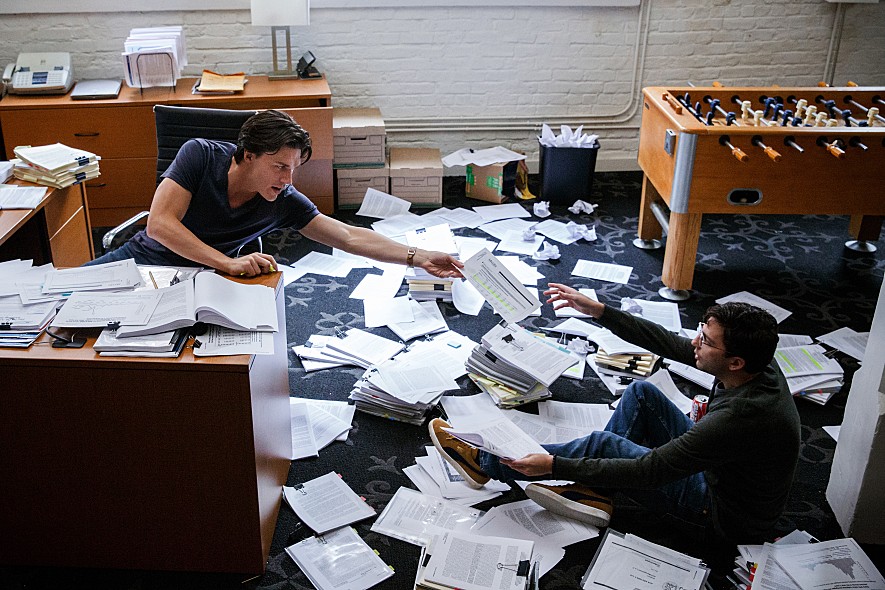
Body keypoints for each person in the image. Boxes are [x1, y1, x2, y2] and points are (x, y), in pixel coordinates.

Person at [429, 283, 800, 552]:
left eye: (706, 341)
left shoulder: (742, 415)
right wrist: (599, 311)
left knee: (605, 445)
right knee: (641, 394)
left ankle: (485, 462)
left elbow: (651, 471)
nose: (694, 343)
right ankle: (595, 492)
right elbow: (669, 342)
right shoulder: (757, 364)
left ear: (735, 362)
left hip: (720, 514)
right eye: (701, 332)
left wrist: (555, 466)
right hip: (724, 471)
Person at [87, 109, 462, 279]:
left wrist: (418, 256)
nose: (287, 179)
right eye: (280, 166)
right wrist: (227, 262)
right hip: (141, 262)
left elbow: (348, 236)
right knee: (62, 304)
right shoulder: (199, 154)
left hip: (203, 283)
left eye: (294, 168)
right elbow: (159, 225)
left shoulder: (281, 199)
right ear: (249, 155)